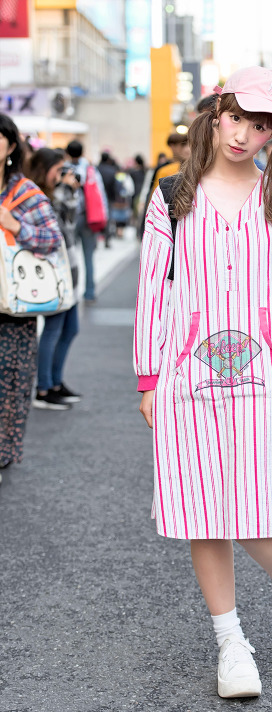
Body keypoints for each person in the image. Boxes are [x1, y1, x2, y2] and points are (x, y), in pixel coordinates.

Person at [134, 66, 272, 699]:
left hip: (267, 371)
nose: (243, 134)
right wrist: (149, 377)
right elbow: (154, 290)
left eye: (261, 126)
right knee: (203, 514)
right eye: (236, 117)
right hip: (187, 376)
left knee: (260, 511)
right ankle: (230, 641)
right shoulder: (172, 194)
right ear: (214, 115)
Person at [0, 115, 62, 481]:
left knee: (9, 381)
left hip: (14, 304)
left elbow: (52, 238)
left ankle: (4, 451)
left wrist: (16, 225)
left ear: (10, 147)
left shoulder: (23, 192)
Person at [24, 147, 82, 410]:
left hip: (66, 268)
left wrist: (69, 189)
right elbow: (57, 230)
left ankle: (55, 383)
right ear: (44, 168)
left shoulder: (54, 194)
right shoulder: (39, 198)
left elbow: (72, 219)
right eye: (58, 169)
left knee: (70, 329)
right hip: (53, 273)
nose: (62, 175)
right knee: (54, 329)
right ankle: (44, 388)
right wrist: (66, 191)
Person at [66, 140, 107, 302]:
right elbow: (100, 193)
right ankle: (89, 292)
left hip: (69, 218)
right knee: (88, 257)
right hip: (88, 216)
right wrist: (104, 216)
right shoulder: (90, 170)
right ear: (82, 152)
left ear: (68, 153)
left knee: (69, 256)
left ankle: (69, 292)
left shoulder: (65, 169)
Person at [97, 152, 117, 247]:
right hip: (109, 197)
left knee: (97, 217)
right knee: (108, 218)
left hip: (97, 198)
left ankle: (96, 239)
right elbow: (114, 186)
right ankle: (107, 239)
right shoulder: (111, 170)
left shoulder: (96, 169)